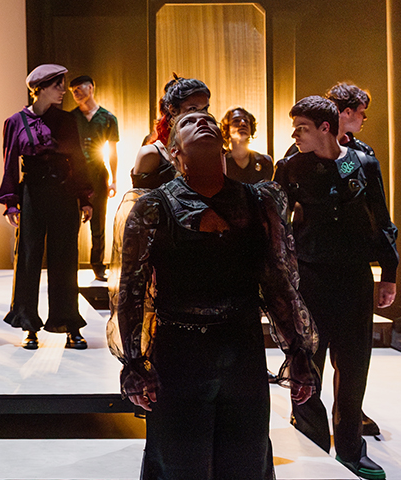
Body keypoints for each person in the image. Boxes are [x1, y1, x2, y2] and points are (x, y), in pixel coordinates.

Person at [112, 110, 318, 480]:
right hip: (178, 354)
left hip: (242, 350)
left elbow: (277, 284)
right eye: (190, 122)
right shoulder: (152, 208)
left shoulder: (259, 202)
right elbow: (131, 291)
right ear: (175, 152)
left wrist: (297, 351)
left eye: (208, 119)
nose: (203, 122)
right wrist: (133, 361)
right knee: (180, 464)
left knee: (245, 461)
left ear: (222, 145)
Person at [273, 96, 398, 479]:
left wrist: (389, 272)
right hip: (309, 277)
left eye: (301, 128)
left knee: (354, 364)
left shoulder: (359, 161)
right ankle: (313, 446)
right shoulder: (291, 167)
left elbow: (381, 218)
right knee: (307, 362)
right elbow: (276, 225)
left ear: (325, 128)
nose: (294, 134)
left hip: (354, 277)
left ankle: (350, 450)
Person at [0, 64, 93, 350]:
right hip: (32, 194)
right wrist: (11, 203)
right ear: (38, 89)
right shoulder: (15, 121)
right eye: (57, 85)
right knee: (28, 259)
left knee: (65, 258)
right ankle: (28, 324)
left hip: (64, 193)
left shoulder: (66, 121)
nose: (63, 91)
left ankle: (70, 325)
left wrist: (85, 197)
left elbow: (78, 160)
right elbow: (9, 165)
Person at [68, 75, 119, 281]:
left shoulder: (107, 118)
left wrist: (114, 179)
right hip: (74, 175)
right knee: (71, 220)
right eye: (72, 91)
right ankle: (69, 264)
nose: (76, 93)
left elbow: (113, 150)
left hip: (98, 174)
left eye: (79, 88)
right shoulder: (70, 118)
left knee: (99, 222)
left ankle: (97, 265)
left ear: (91, 87)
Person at [132, 76, 208, 189]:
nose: (201, 116)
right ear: (173, 110)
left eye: (205, 109)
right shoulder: (151, 154)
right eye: (192, 109)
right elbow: (139, 202)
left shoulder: (208, 148)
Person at [220, 107, 273, 184]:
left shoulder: (264, 161)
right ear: (227, 128)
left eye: (246, 121)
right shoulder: (221, 161)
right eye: (236, 121)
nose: (243, 123)